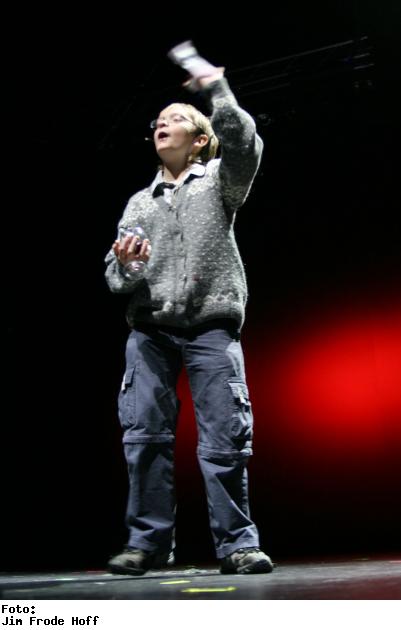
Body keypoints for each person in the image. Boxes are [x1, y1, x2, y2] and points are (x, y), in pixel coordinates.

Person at [104, 53, 273, 576]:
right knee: (145, 436)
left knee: (226, 436)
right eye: (158, 120)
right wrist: (129, 266)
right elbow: (114, 276)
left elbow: (243, 143)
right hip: (151, 331)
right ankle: (148, 543)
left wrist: (217, 89)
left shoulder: (219, 181)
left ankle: (237, 544)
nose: (162, 123)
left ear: (199, 139)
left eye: (175, 118)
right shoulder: (140, 202)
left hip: (211, 328)